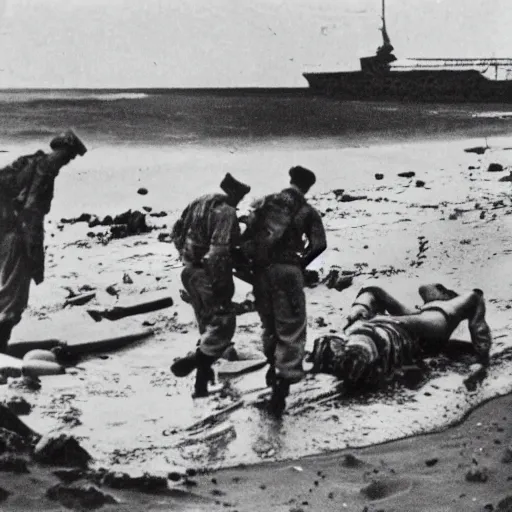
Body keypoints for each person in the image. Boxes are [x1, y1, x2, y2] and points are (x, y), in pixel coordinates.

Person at [240, 166, 327, 416]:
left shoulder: (267, 203)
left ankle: (271, 366)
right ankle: (280, 390)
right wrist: (300, 263)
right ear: (308, 186)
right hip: (287, 271)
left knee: (269, 325)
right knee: (291, 327)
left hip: (260, 272)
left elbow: (249, 234)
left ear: (289, 180)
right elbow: (319, 244)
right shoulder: (307, 211)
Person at [309, 283, 492, 390]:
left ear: (446, 295)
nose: (427, 290)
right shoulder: (420, 313)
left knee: (370, 339)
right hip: (393, 333)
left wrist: (482, 356)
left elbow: (475, 298)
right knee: (371, 339)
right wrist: (360, 307)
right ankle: (348, 354)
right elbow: (373, 291)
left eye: (439, 288)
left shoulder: (448, 308)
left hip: (396, 331)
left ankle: (348, 354)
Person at [0, 131, 87, 353]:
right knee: (13, 297)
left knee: (8, 291)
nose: (68, 161)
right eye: (68, 156)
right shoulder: (44, 170)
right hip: (17, 237)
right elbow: (31, 213)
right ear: (62, 151)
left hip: (7, 232)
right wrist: (33, 250)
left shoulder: (29, 162)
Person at [170, 173, 251, 398]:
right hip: (207, 274)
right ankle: (195, 360)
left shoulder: (200, 201)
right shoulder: (226, 212)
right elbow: (218, 253)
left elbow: (176, 231)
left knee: (207, 324)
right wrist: (221, 285)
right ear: (235, 195)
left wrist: (186, 257)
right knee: (223, 323)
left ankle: (202, 385)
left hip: (189, 272)